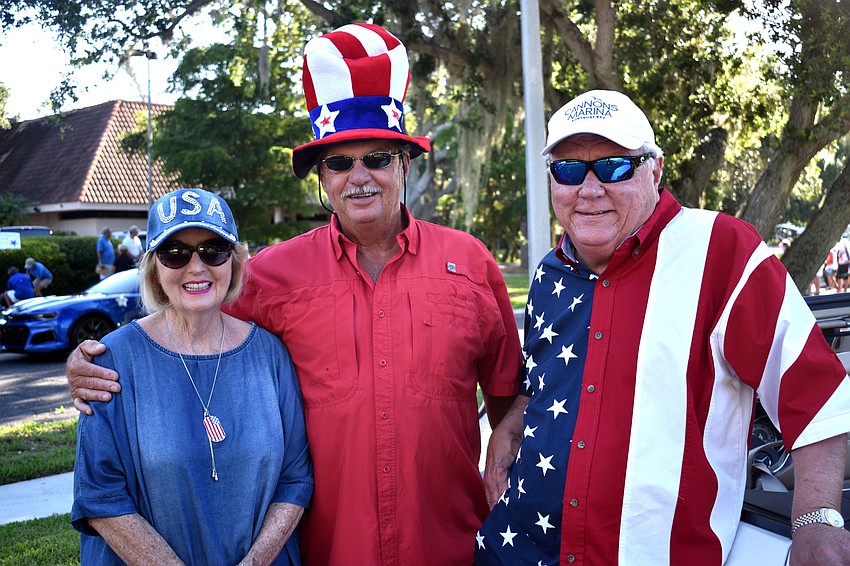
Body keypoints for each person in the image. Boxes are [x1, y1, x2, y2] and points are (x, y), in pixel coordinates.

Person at [66, 23, 521, 566]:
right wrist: (94, 364)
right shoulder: (271, 275)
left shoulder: (469, 263)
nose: (359, 176)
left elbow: (511, 394)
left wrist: (508, 443)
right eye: (340, 162)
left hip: (450, 546)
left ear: (404, 163)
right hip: (329, 550)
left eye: (378, 158)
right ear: (322, 176)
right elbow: (186, 321)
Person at [477, 90, 850, 566]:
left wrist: (816, 519)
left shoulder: (721, 252)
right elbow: (543, 382)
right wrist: (511, 423)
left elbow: (814, 394)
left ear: (654, 170)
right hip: (517, 550)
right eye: (568, 170)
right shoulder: (550, 273)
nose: (589, 189)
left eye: (614, 167)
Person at [71, 187, 313, 565]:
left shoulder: (270, 354)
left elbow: (295, 479)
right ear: (154, 268)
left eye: (213, 250)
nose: (196, 267)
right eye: (175, 253)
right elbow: (101, 496)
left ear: (233, 262)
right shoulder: (112, 359)